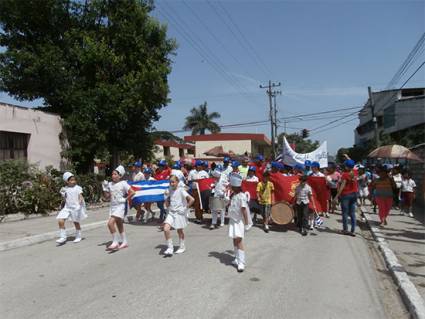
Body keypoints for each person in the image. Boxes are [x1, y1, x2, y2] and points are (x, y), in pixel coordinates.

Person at [102, 165, 135, 250]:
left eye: (115, 174)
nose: (113, 176)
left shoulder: (123, 183)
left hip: (120, 206)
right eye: (112, 174)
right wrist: (104, 188)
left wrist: (125, 199)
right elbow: (107, 197)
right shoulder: (110, 184)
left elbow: (132, 192)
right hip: (113, 207)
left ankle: (115, 241)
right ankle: (124, 241)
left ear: (120, 176)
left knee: (110, 223)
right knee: (119, 224)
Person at [163, 175, 195, 256]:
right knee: (166, 229)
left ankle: (182, 247)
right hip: (171, 212)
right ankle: (170, 248)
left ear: (177, 182)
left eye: (173, 182)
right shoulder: (169, 190)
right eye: (170, 182)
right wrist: (166, 198)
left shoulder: (181, 190)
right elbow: (166, 205)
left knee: (179, 230)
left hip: (179, 213)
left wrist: (185, 208)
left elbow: (192, 199)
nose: (172, 184)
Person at [56, 172, 87, 244]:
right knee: (60, 220)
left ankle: (78, 236)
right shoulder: (64, 189)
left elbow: (80, 196)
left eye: (74, 180)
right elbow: (64, 199)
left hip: (75, 208)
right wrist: (63, 196)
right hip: (67, 208)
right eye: (71, 180)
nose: (74, 181)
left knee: (76, 222)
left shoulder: (77, 188)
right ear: (67, 181)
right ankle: (63, 237)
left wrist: (80, 201)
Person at [227, 174, 250, 272]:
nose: (230, 187)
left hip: (239, 221)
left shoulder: (242, 196)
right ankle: (236, 258)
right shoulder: (233, 195)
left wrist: (247, 222)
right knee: (234, 239)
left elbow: (244, 210)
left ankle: (242, 262)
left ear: (235, 186)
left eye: (231, 186)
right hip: (232, 220)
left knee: (239, 241)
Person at [333, 160, 358, 236]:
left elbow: (342, 186)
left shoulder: (345, 174)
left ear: (346, 166)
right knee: (352, 213)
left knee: (345, 213)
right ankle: (353, 231)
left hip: (346, 195)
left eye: (345, 166)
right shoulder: (355, 173)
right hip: (354, 195)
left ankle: (345, 230)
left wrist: (336, 197)